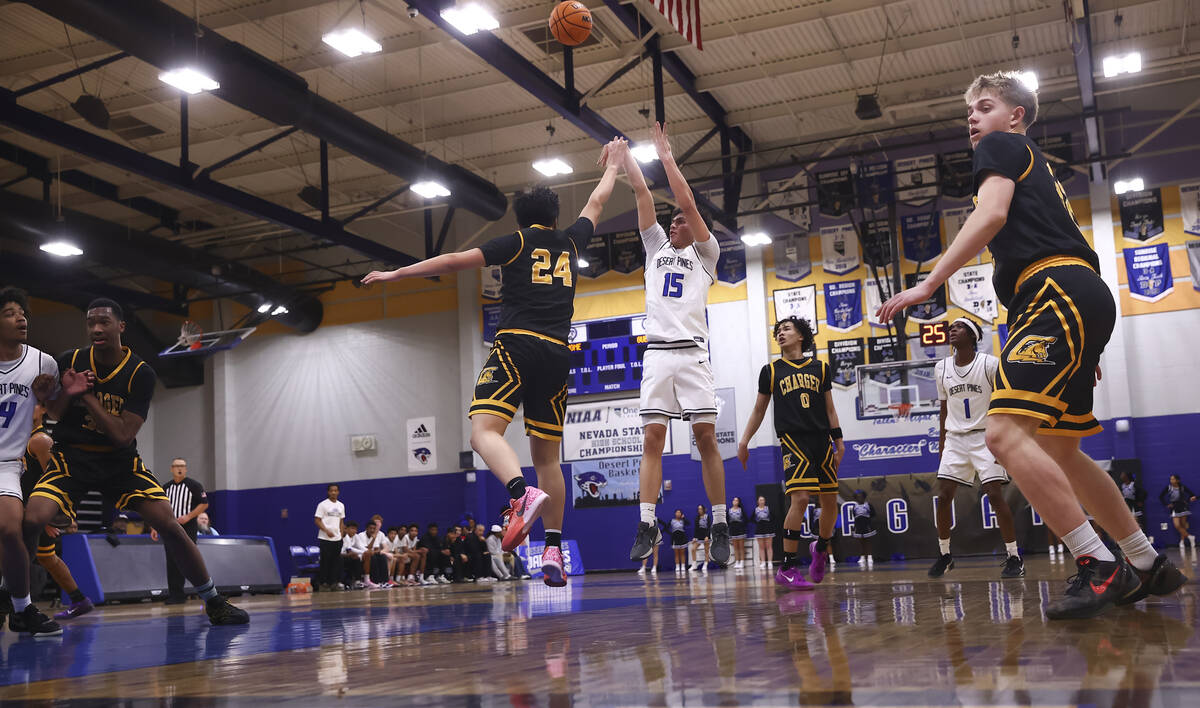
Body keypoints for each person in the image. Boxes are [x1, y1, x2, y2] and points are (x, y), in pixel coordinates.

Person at [877, 72, 1185, 618]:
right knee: (1061, 449)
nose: (973, 118)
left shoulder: (1002, 147)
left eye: (985, 106)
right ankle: (1145, 561)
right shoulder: (1035, 168)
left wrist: (929, 283)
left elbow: (990, 214)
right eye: (969, 111)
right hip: (1071, 297)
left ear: (1016, 116)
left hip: (1053, 293)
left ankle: (1096, 563)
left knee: (1002, 433)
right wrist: (1082, 346)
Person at [363, 140, 625, 588]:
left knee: (483, 432)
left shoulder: (516, 242)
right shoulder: (571, 239)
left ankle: (520, 497)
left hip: (517, 344)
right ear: (557, 219)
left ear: (521, 221)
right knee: (549, 459)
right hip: (558, 353)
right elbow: (597, 201)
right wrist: (615, 165)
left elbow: (451, 260)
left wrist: (396, 273)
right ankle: (554, 551)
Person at [23, 299, 247, 625]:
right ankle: (16, 604)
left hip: (120, 464)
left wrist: (85, 395)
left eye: (104, 322)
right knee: (31, 520)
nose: (97, 328)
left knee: (170, 525)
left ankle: (214, 601)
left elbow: (123, 435)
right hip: (72, 459)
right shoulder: (70, 360)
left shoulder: (140, 373)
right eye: (91, 323)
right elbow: (55, 413)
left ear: (121, 326)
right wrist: (56, 394)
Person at [619, 123, 730, 569]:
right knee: (652, 437)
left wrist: (666, 157)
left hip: (692, 353)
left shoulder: (706, 255)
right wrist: (627, 159)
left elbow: (685, 201)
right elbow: (644, 197)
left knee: (705, 437)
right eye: (673, 221)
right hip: (658, 353)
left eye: (681, 220)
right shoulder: (654, 248)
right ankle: (648, 522)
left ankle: (719, 522)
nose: (675, 221)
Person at [738, 317, 845, 591]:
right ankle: (787, 566)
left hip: (822, 439)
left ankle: (820, 547)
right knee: (800, 498)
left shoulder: (820, 368)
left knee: (830, 503)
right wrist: (744, 440)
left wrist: (839, 441)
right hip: (793, 439)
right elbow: (759, 410)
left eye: (786, 329)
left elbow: (830, 408)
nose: (780, 334)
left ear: (801, 336)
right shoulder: (771, 371)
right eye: (777, 331)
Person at [926, 317, 1024, 580]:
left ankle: (1014, 556)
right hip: (956, 438)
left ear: (972, 335)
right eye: (951, 329)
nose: (952, 331)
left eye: (958, 328)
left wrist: (1004, 436)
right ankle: (945, 555)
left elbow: (1005, 400)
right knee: (944, 495)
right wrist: (942, 443)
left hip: (985, 436)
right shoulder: (941, 368)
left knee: (994, 494)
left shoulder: (990, 364)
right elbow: (944, 407)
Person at [0, 286, 69, 635]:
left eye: (22, 312)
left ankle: (22, 609)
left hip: (6, 464)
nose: (20, 317)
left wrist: (50, 397)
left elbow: (57, 412)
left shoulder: (43, 362)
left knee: (10, 528)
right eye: (10, 312)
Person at [23, 403, 94, 620]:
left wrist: (46, 518)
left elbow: (54, 481)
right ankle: (79, 599)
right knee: (46, 557)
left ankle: (18, 610)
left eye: (31, 405)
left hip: (34, 510)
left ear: (42, 409)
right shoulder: (23, 438)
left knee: (19, 557)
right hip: (25, 507)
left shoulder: (40, 440)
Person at [153, 457, 209, 604]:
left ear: (186, 469)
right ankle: (176, 594)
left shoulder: (194, 485)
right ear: (172, 469)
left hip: (188, 527)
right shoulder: (165, 487)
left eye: (182, 466)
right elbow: (157, 508)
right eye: (177, 466)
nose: (180, 468)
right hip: (169, 527)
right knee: (171, 560)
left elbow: (204, 504)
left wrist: (189, 516)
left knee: (189, 559)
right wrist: (154, 526)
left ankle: (203, 592)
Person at [313, 483, 346, 592]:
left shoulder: (341, 505)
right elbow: (317, 520)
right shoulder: (322, 505)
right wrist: (326, 531)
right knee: (325, 562)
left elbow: (341, 520)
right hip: (325, 538)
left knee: (336, 562)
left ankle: (334, 583)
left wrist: (341, 534)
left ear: (338, 492)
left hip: (337, 539)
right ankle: (323, 583)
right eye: (331, 490)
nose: (333, 492)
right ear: (328, 492)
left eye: (335, 490)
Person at [1161, 474, 1197, 550]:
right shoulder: (1169, 488)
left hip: (1183, 507)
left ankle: (1182, 541)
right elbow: (1161, 496)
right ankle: (1190, 537)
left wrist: (1189, 500)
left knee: (1183, 525)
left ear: (1177, 480)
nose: (1171, 481)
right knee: (1177, 525)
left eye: (1173, 479)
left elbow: (1192, 495)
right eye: (1171, 479)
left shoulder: (1182, 487)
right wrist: (1166, 504)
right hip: (1174, 507)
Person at [849, 490, 876, 569]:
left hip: (867, 525)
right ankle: (862, 557)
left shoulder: (868, 505)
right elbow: (854, 515)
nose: (859, 498)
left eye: (861, 497)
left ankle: (870, 557)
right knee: (861, 542)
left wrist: (869, 522)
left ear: (864, 497)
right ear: (856, 498)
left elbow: (873, 514)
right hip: (858, 526)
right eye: (858, 497)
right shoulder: (855, 506)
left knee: (868, 541)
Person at [1118, 471, 1147, 536]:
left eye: (1123, 474)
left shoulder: (1134, 485)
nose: (1121, 476)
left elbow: (1144, 493)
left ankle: (1141, 537)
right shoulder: (1122, 486)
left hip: (1134, 506)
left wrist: (1140, 501)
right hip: (1126, 506)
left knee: (1137, 523)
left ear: (1127, 476)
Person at [340, 520, 366, 587]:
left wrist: (353, 554)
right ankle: (339, 581)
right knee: (340, 559)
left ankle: (357, 581)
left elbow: (349, 550)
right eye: (352, 528)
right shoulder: (336, 537)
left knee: (356, 558)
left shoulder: (347, 537)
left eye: (355, 529)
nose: (354, 531)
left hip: (344, 556)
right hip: (336, 557)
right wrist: (349, 554)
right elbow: (335, 553)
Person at [752, 496, 775, 570]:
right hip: (759, 529)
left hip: (768, 528)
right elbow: (751, 519)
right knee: (761, 547)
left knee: (769, 546)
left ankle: (770, 562)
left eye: (763, 500)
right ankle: (763, 562)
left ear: (764, 501)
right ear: (758, 501)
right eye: (760, 500)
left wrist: (769, 523)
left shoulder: (768, 509)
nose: (762, 501)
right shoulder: (755, 510)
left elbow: (773, 517)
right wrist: (758, 522)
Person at [727, 497, 748, 569]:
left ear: (738, 502)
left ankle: (742, 561)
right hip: (733, 530)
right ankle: (737, 561)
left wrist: (742, 525)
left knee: (741, 547)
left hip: (740, 529)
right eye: (734, 500)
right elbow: (727, 520)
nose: (735, 501)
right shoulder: (729, 510)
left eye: (736, 500)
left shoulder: (741, 510)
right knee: (735, 547)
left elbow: (746, 519)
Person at [667, 509, 689, 574]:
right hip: (675, 538)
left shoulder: (683, 520)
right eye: (677, 512)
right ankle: (677, 566)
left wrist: (684, 518)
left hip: (682, 537)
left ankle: (683, 566)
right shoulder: (672, 521)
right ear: (675, 514)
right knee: (676, 553)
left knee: (682, 553)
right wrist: (671, 534)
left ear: (681, 514)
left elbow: (688, 523)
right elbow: (666, 527)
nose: (678, 513)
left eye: (679, 512)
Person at [690, 504, 709, 573]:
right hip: (699, 536)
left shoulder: (707, 516)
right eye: (698, 509)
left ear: (703, 509)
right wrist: (695, 537)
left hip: (706, 536)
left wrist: (707, 536)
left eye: (701, 509)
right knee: (693, 549)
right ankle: (694, 564)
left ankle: (705, 564)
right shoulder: (697, 517)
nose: (699, 510)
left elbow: (709, 527)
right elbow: (696, 529)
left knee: (706, 550)